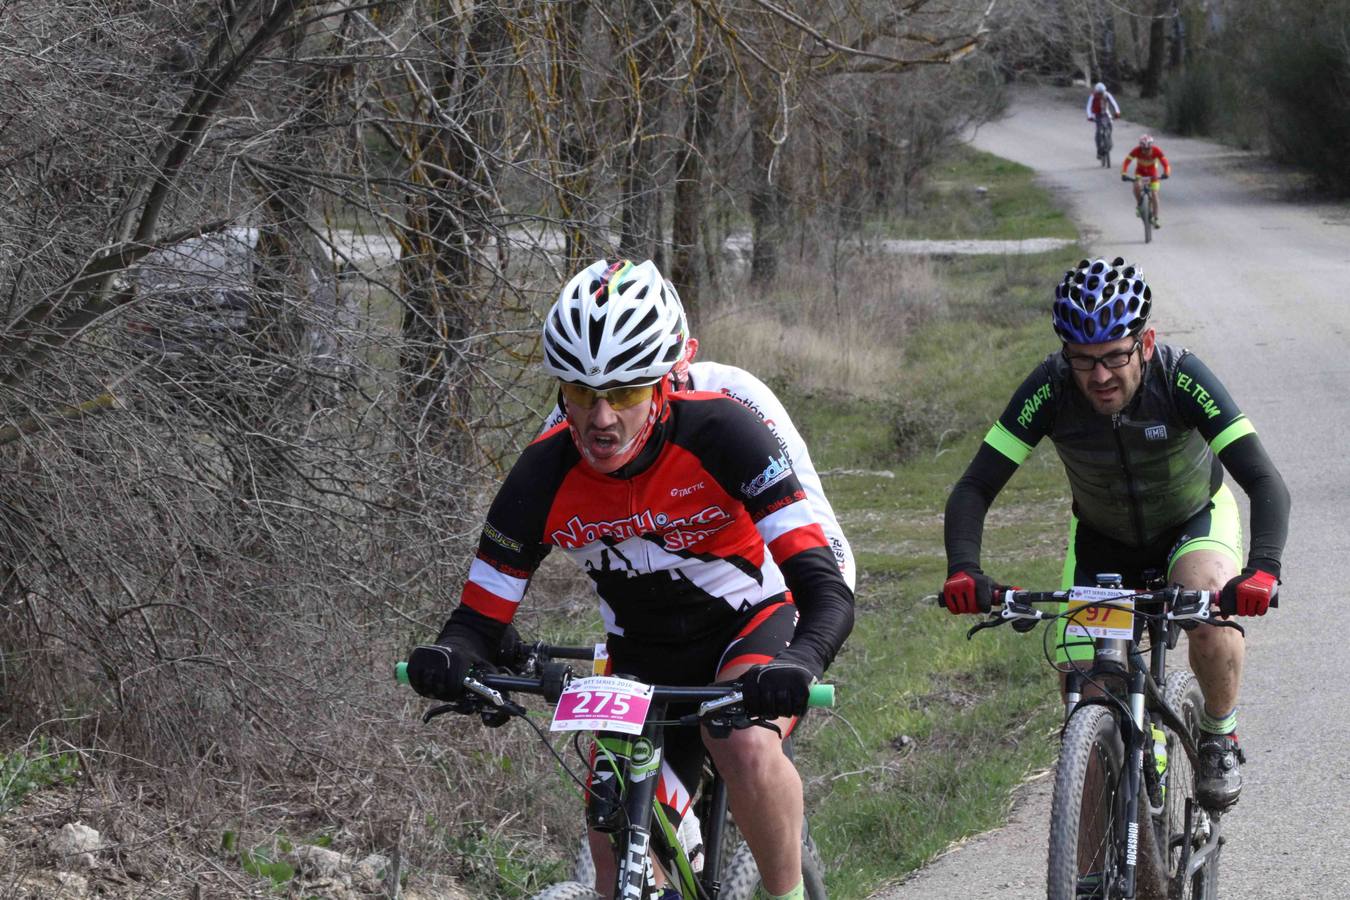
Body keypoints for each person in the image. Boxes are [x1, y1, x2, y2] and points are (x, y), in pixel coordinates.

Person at [407, 258, 855, 899]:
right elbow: (479, 619)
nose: (602, 418)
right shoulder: (542, 473)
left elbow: (824, 587)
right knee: (612, 831)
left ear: (664, 383)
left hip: (754, 618)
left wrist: (804, 661)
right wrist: (451, 656)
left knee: (743, 744)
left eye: (624, 393)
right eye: (583, 394)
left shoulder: (726, 431)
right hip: (642, 652)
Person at [939, 257, 1290, 811]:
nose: (1099, 376)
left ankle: (1220, 734)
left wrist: (1263, 568)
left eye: (1114, 357)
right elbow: (975, 486)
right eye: (1083, 360)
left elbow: (1264, 480)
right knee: (1087, 687)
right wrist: (964, 568)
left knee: (1208, 618)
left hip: (1192, 521)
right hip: (1103, 542)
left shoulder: (1181, 377)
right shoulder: (1050, 390)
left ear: (1145, 343)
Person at [541, 335, 857, 593]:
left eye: (660, 382)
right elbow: (527, 519)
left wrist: (812, 627)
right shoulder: (577, 420)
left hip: (763, 588)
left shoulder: (737, 396)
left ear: (686, 356)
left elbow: (819, 529)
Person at [1121, 134, 1171, 227]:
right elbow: (1126, 162)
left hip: (1153, 174)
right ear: (1141, 147)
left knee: (1155, 194)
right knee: (1137, 186)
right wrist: (1123, 173)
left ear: (1152, 147)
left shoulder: (1157, 151)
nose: (1146, 151)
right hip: (1140, 173)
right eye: (1144, 149)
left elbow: (1166, 164)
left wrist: (1166, 173)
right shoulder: (1136, 150)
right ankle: (1139, 205)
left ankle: (1155, 218)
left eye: (1148, 149)